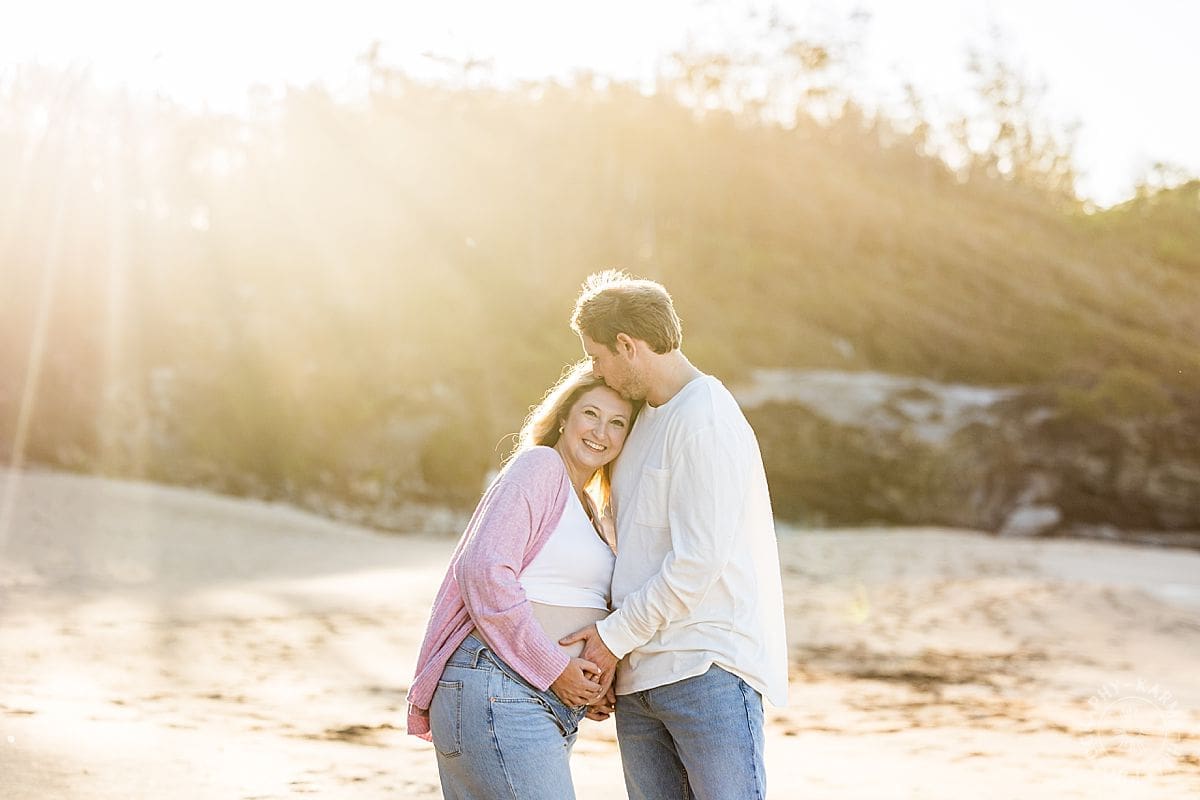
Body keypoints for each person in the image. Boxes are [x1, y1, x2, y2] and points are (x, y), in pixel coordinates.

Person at [559, 270, 789, 800]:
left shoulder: (705, 418)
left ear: (627, 345)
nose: (596, 370)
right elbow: (628, 553)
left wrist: (610, 641)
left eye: (597, 357)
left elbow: (699, 561)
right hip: (640, 678)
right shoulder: (641, 421)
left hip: (704, 669)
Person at [407, 361, 634, 800]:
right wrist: (554, 668)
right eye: (591, 414)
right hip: (502, 687)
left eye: (617, 422)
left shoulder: (589, 508)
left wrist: (593, 680)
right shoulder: (541, 466)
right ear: (565, 417)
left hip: (533, 696)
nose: (601, 431)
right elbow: (483, 568)